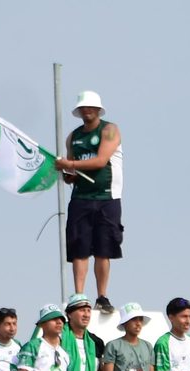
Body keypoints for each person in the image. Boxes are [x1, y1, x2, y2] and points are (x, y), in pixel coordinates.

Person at [58, 92, 124, 311]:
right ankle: (79, 295)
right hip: (81, 198)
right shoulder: (73, 137)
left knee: (103, 249)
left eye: (90, 107)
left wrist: (70, 164)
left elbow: (101, 160)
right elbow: (71, 172)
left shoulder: (110, 129)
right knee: (79, 248)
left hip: (107, 196)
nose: (87, 111)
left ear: (97, 110)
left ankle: (102, 296)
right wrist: (66, 171)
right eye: (83, 108)